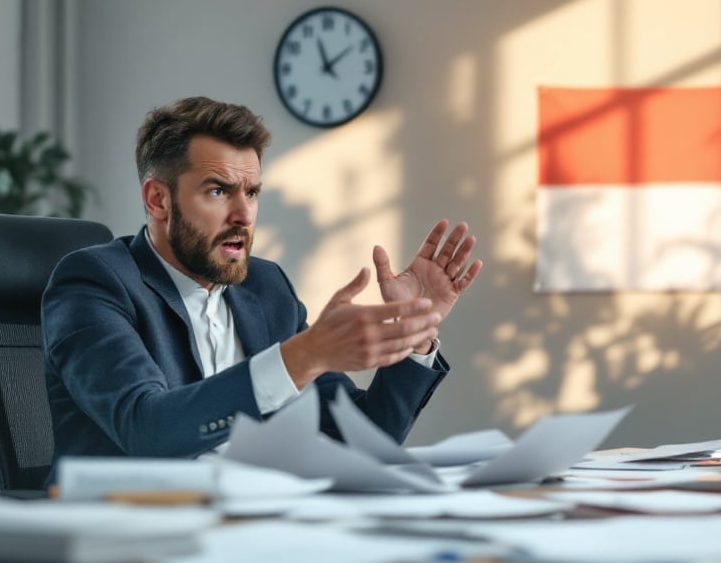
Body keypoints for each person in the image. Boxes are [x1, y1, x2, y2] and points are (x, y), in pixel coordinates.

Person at [40, 96, 481, 484]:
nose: (243, 215)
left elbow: (359, 440)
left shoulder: (266, 288)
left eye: (251, 193)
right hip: (126, 541)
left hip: (255, 530)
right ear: (158, 200)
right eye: (218, 191)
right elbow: (147, 431)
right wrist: (303, 356)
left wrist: (416, 334)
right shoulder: (94, 281)